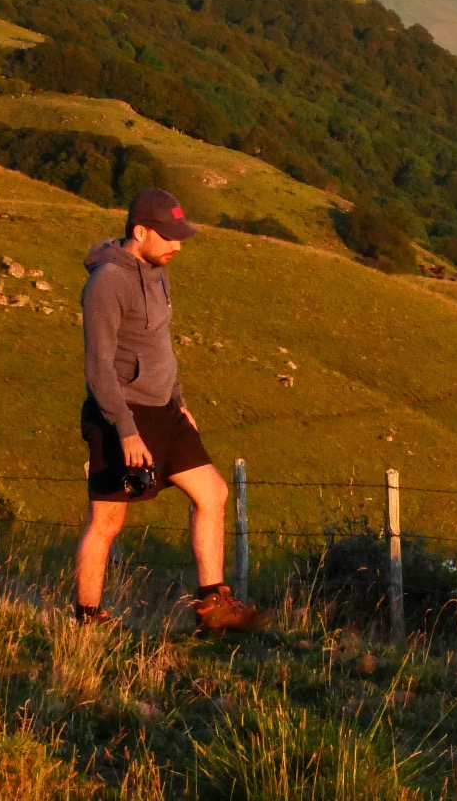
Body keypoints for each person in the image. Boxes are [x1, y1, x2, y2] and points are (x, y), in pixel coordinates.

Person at [73, 187, 269, 633]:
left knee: (213, 493)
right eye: (169, 236)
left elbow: (159, 345)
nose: (178, 246)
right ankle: (88, 620)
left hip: (166, 411)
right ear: (140, 231)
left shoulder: (159, 272)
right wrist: (124, 430)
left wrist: (179, 402)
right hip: (121, 414)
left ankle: (213, 609)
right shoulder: (105, 284)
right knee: (107, 519)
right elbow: (98, 368)